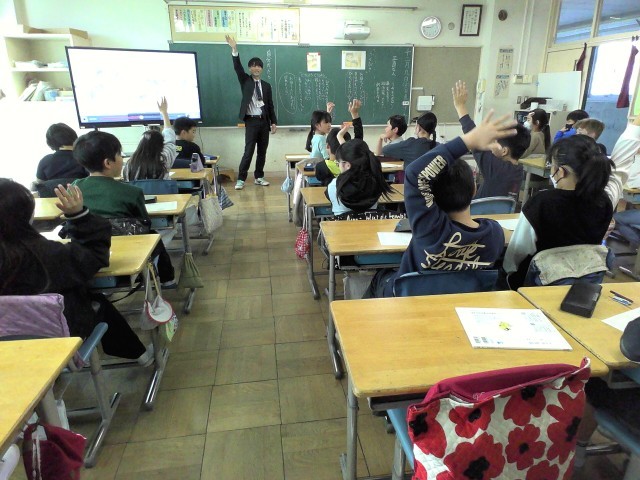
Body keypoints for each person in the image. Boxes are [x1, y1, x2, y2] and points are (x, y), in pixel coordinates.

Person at [364, 111, 515, 298]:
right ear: (474, 190)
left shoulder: (430, 229)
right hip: (462, 305)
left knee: (381, 277)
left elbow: (415, 174)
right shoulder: (494, 233)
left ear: (429, 198)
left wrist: (467, 141)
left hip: (410, 303)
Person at [0, 178, 151, 364]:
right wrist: (79, 216)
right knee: (96, 301)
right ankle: (140, 356)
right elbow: (94, 257)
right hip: (60, 340)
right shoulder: (47, 255)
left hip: (5, 348)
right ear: (24, 215)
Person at [503, 135, 614, 289]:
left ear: (561, 171)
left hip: (537, 285)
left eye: (551, 165)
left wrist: (505, 273)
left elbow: (515, 256)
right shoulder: (604, 201)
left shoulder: (542, 203)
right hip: (584, 285)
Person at [72, 131, 176, 286]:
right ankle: (167, 280)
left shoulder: (74, 188)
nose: (122, 159)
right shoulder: (131, 192)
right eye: (119, 155)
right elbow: (144, 223)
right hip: (129, 251)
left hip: (88, 252)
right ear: (108, 163)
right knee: (154, 237)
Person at [453, 80, 529, 200]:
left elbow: (474, 137)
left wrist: (460, 106)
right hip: (500, 212)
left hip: (478, 211)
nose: (490, 145)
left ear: (504, 151)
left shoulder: (496, 168)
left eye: (494, 142)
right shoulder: (518, 171)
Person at [225, 35, 276, 190]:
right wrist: (234, 49)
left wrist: (273, 122)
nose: (256, 68)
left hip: (264, 121)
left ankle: (259, 177)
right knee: (248, 151)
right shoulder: (245, 80)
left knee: (262, 152)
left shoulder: (266, 86)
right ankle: (241, 179)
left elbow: (270, 105)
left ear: (262, 69)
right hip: (251, 121)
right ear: (249, 69)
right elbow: (237, 67)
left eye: (258, 66)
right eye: (253, 66)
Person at [325, 139, 393, 216]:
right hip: (371, 223)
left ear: (347, 165)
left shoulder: (334, 185)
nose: (338, 165)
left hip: (341, 223)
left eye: (338, 163)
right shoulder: (375, 181)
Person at [123, 97, 177, 181]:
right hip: (161, 190)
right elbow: (169, 136)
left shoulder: (129, 164)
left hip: (137, 190)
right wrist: (164, 113)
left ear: (140, 145)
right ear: (161, 145)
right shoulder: (164, 159)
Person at [315, 100, 363, 186]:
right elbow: (359, 139)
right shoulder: (353, 165)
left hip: (330, 195)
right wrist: (355, 114)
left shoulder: (321, 167)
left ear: (327, 146)